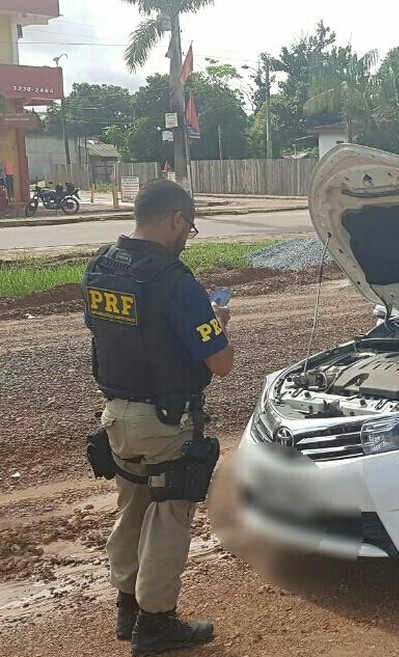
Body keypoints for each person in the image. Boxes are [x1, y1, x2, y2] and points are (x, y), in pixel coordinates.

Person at [81, 179, 234, 655]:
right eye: (189, 226)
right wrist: (215, 322)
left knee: (132, 511)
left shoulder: (102, 266)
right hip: (165, 423)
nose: (188, 235)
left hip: (116, 416)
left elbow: (116, 332)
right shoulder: (176, 281)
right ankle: (156, 625)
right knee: (169, 517)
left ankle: (127, 609)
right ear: (174, 220)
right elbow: (221, 364)